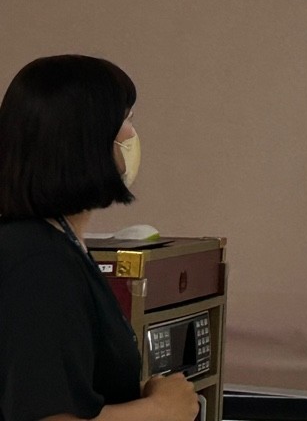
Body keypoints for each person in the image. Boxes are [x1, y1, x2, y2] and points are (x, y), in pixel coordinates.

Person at [0, 55, 198, 421]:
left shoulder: (59, 245)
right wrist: (160, 410)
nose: (132, 135)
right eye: (126, 119)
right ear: (84, 139)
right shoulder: (37, 262)